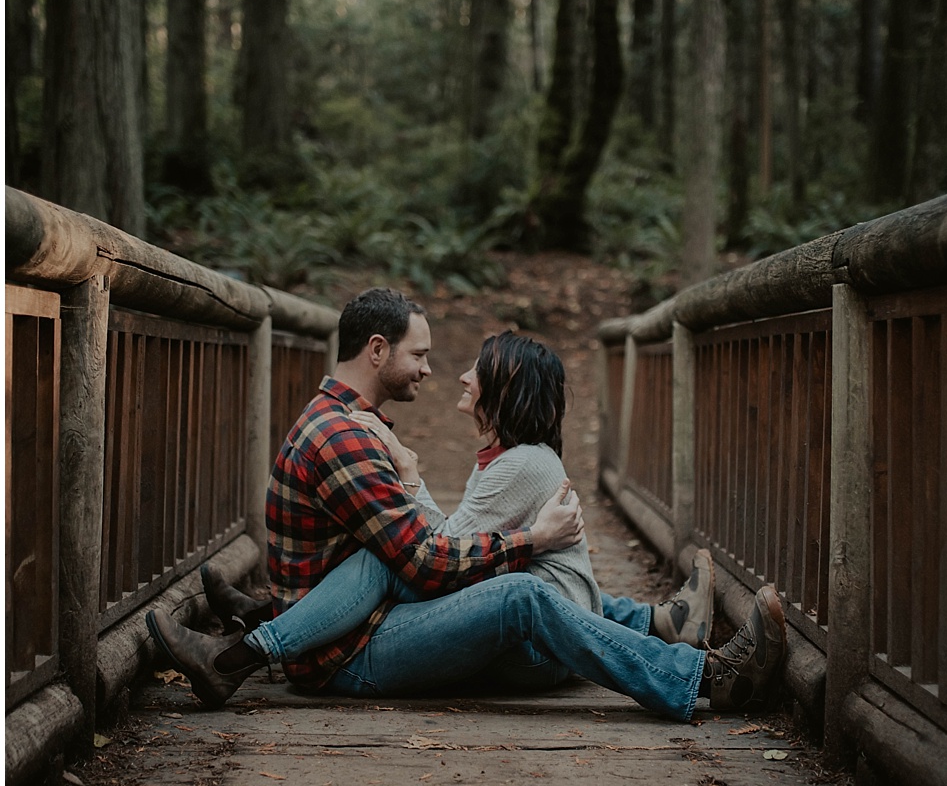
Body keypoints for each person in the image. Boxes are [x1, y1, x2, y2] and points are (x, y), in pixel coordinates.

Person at [147, 288, 785, 718]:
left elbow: (408, 554)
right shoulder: (346, 435)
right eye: (419, 354)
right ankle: (700, 678)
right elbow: (427, 563)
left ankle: (249, 635)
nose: (433, 369)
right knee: (521, 593)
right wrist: (529, 542)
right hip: (347, 653)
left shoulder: (350, 420)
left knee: (498, 580)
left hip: (361, 628)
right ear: (377, 350)